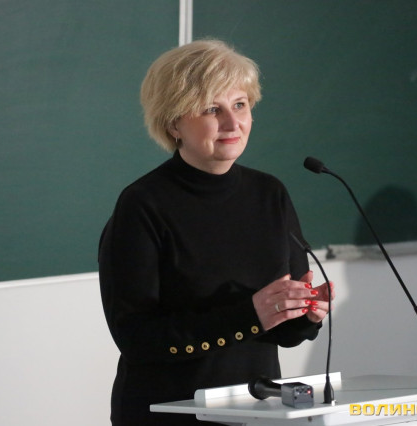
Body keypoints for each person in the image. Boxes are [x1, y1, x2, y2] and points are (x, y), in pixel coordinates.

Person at [98, 39, 334, 426]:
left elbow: (282, 331)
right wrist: (250, 314)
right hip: (169, 413)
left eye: (240, 105)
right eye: (212, 109)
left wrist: (307, 313)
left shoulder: (269, 194)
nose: (232, 122)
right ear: (173, 123)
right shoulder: (142, 205)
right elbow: (136, 338)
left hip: (257, 410)